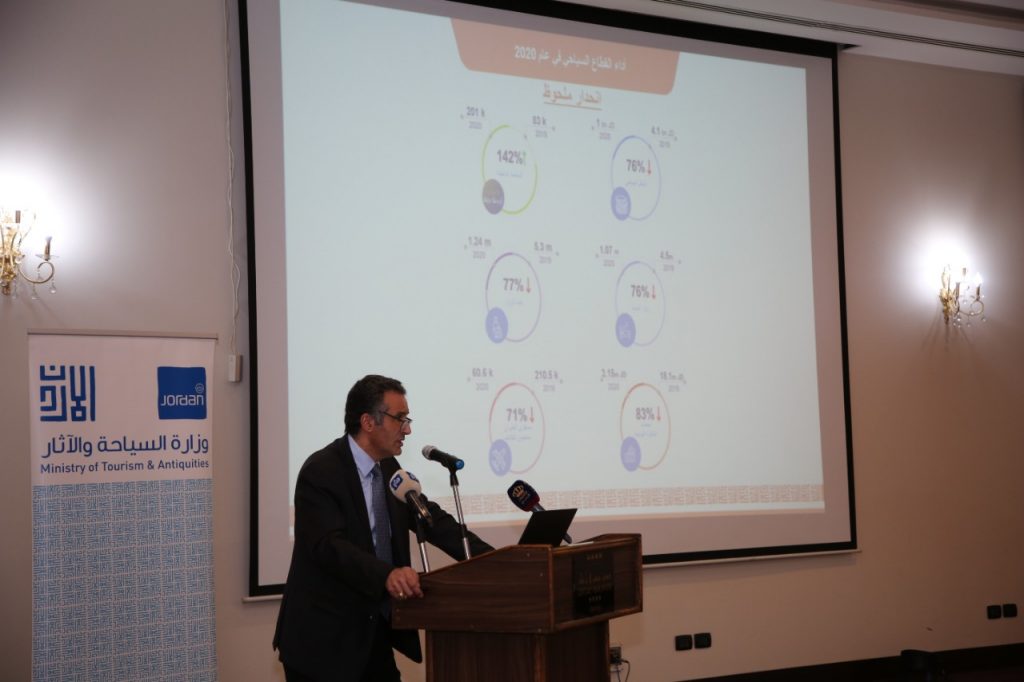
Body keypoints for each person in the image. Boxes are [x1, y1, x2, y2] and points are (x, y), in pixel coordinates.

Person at [273, 374, 492, 682]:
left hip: (372, 633)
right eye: (400, 419)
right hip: (322, 642)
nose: (408, 429)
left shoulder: (389, 469)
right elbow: (330, 547)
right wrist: (386, 575)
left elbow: (434, 522)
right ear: (368, 421)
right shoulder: (321, 471)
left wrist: (497, 559)